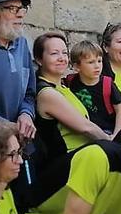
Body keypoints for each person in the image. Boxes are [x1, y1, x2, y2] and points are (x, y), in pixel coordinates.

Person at [34, 32, 112, 167]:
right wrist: (112, 142)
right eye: (54, 54)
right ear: (39, 59)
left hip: (85, 154)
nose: (61, 58)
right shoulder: (47, 93)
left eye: (64, 53)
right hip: (68, 162)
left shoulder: (63, 86)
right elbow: (86, 128)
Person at [67, 40, 121, 136]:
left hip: (107, 130)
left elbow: (120, 110)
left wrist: (116, 135)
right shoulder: (70, 82)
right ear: (76, 66)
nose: (97, 66)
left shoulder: (107, 84)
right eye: (91, 62)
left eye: (99, 61)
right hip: (82, 131)